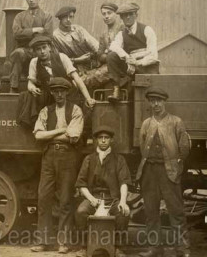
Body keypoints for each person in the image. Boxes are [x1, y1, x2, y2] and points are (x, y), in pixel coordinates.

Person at [31, 77, 84, 254]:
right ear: (52, 93)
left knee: (66, 200)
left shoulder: (75, 110)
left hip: (68, 157)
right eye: (56, 91)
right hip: (48, 157)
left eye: (62, 91)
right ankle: (43, 241)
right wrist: (62, 130)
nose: (59, 94)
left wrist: (49, 134)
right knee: (43, 198)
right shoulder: (46, 110)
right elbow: (38, 136)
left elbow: (74, 136)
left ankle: (64, 242)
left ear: (67, 92)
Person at [136, 87, 190, 257]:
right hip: (149, 171)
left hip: (169, 172)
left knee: (176, 211)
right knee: (151, 211)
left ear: (164, 102)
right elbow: (142, 146)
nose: (156, 104)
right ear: (150, 103)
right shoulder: (146, 123)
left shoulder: (176, 122)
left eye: (159, 100)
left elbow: (184, 147)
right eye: (152, 101)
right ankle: (154, 248)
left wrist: (177, 165)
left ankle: (182, 249)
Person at [75, 125, 132, 257]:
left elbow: (124, 182)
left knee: (122, 213)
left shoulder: (119, 159)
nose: (103, 140)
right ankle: (84, 247)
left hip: (112, 199)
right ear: (96, 140)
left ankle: (119, 248)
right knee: (81, 211)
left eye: (106, 138)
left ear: (111, 140)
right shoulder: (89, 159)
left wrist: (123, 201)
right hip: (93, 198)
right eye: (100, 138)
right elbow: (81, 184)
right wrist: (91, 199)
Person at [107, 3, 159, 101]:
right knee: (111, 56)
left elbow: (153, 56)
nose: (127, 17)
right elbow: (113, 46)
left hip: (148, 67)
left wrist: (137, 62)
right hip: (132, 67)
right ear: (121, 18)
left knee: (152, 93)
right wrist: (128, 59)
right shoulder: (122, 33)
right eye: (124, 15)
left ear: (136, 15)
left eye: (130, 14)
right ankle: (116, 90)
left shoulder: (147, 30)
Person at [27, 35, 95, 108]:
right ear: (35, 51)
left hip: (69, 95)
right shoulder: (34, 62)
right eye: (38, 49)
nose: (42, 51)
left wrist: (88, 98)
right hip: (50, 98)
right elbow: (30, 82)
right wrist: (32, 88)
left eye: (44, 47)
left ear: (49, 47)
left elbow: (77, 78)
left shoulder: (62, 57)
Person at [9, 0, 53, 92]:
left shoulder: (47, 16)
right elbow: (16, 34)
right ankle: (13, 87)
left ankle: (50, 87)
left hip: (40, 49)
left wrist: (25, 33)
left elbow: (47, 36)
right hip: (25, 50)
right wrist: (35, 30)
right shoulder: (20, 17)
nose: (31, 0)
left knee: (52, 56)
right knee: (18, 53)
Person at [53, 6, 109, 90]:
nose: (68, 19)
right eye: (65, 17)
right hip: (74, 68)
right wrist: (78, 59)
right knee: (79, 82)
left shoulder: (78, 29)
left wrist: (102, 55)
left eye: (71, 17)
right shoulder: (56, 36)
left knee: (109, 69)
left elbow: (96, 46)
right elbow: (57, 60)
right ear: (60, 19)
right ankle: (78, 85)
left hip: (92, 64)